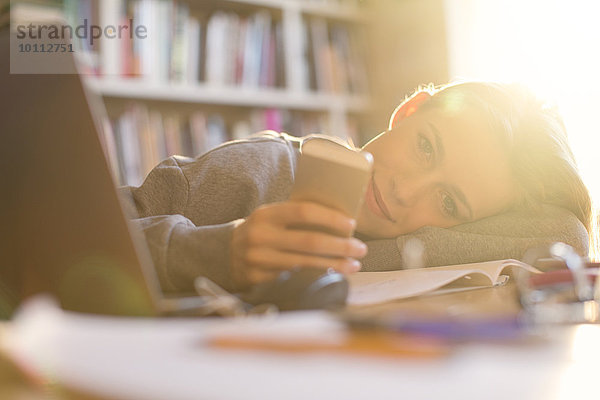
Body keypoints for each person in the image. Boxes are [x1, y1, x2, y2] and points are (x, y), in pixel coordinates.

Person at [119, 81, 591, 294]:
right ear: (407, 112)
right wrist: (214, 252)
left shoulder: (414, 254)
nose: (407, 191)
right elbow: (64, 238)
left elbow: (568, 238)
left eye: (448, 201)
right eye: (426, 147)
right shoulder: (257, 170)